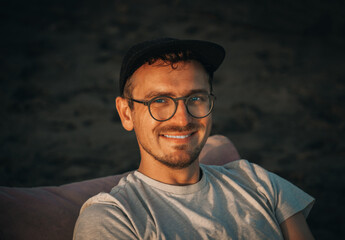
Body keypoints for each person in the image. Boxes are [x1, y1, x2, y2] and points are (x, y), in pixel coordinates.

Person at [73, 38, 315, 239]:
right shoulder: (113, 217)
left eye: (196, 98)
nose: (182, 119)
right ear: (127, 113)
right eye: (160, 100)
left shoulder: (258, 183)